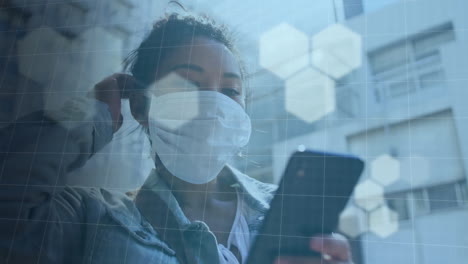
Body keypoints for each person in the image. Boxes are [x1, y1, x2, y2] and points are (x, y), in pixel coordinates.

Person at [0, 13, 353, 264]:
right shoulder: (95, 221)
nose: (214, 105)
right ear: (141, 105)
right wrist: (90, 114)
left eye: (230, 90)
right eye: (189, 83)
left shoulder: (286, 215)